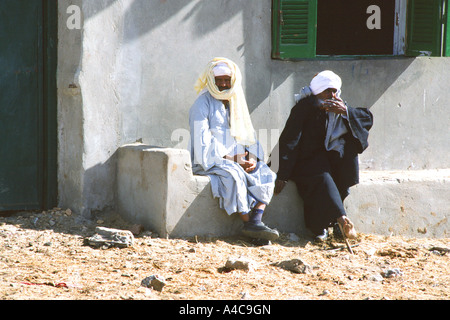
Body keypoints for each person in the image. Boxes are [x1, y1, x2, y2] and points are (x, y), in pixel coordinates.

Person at [273, 70, 373, 242]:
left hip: (328, 161)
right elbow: (289, 140)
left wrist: (346, 112)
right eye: (327, 91)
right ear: (317, 91)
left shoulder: (339, 108)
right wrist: (282, 173)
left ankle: (333, 225)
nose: (332, 95)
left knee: (342, 167)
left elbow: (366, 118)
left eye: (334, 91)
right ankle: (341, 219)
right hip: (305, 162)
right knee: (323, 177)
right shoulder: (304, 108)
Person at [188, 57, 279, 241]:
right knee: (233, 175)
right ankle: (250, 225)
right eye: (218, 80)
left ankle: (256, 220)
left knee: (266, 172)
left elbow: (248, 134)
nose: (223, 84)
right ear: (211, 81)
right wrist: (232, 158)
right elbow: (201, 142)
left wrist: (252, 157)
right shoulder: (201, 103)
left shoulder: (236, 101)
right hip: (210, 159)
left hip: (239, 157)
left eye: (226, 80)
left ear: (233, 81)